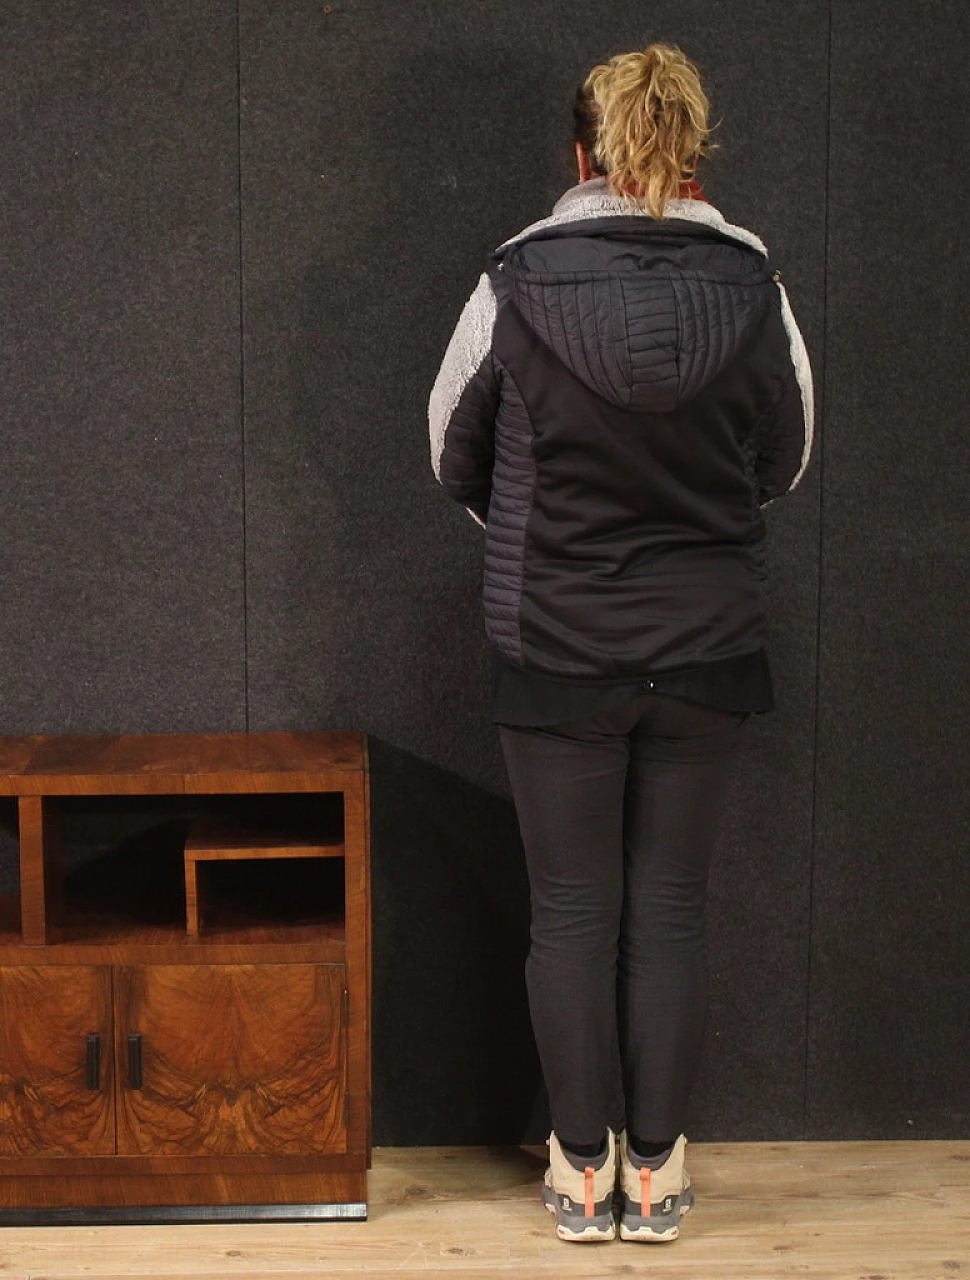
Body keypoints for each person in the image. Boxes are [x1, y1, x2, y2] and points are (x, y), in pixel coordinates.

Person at [427, 43, 813, 1244]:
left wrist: (541, 526)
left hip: (556, 646)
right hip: (704, 647)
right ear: (690, 152)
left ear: (578, 152)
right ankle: (657, 1173)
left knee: (572, 913)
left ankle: (579, 1171)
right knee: (670, 913)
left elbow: (453, 452)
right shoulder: (754, 284)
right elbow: (782, 463)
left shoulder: (514, 280)